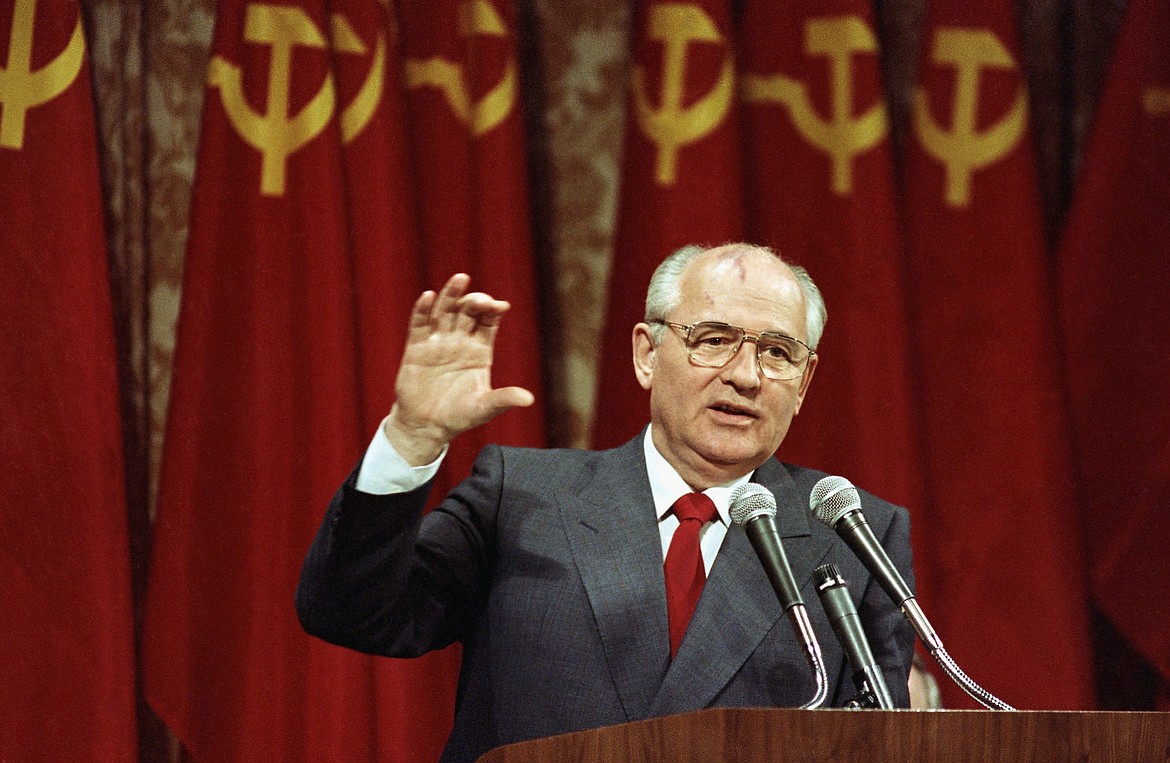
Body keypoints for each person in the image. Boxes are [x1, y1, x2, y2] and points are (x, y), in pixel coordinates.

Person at [297, 243, 917, 762]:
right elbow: (352, 612)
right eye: (714, 339)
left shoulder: (852, 534)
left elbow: (876, 743)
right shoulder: (524, 497)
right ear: (647, 354)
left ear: (804, 382)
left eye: (777, 353)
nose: (746, 375)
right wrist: (413, 437)